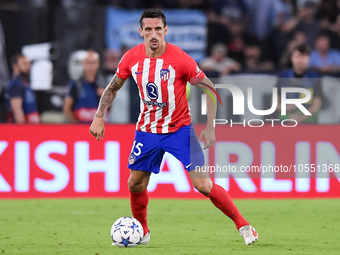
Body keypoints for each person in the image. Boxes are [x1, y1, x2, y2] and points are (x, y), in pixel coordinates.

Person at [89, 8, 259, 246]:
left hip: (179, 131)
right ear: (141, 32)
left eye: (158, 28)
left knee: (203, 185)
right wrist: (99, 116)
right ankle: (143, 232)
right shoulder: (130, 58)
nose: (153, 34)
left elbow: (209, 88)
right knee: (135, 183)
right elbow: (113, 86)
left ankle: (244, 225)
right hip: (147, 131)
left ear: (166, 30)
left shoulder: (180, 59)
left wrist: (211, 127)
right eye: (148, 29)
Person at [276, 44, 323, 124]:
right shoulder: (283, 76)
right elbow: (275, 102)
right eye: (297, 57)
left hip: (308, 121)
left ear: (308, 58)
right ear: (292, 58)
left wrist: (299, 118)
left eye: (303, 57)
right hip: (286, 119)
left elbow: (316, 105)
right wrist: (286, 109)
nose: (300, 60)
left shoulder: (315, 78)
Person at [63, 50, 106, 123]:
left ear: (98, 64)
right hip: (81, 126)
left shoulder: (104, 83)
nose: (91, 66)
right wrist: (77, 125)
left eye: (93, 63)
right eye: (88, 62)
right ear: (83, 64)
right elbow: (67, 109)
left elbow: (111, 108)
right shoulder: (76, 84)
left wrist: (105, 97)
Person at [4, 53, 40, 124]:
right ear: (15, 66)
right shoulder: (16, 85)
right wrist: (23, 130)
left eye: (29, 64)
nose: (28, 66)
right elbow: (17, 110)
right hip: (23, 128)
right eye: (24, 64)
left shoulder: (24, 83)